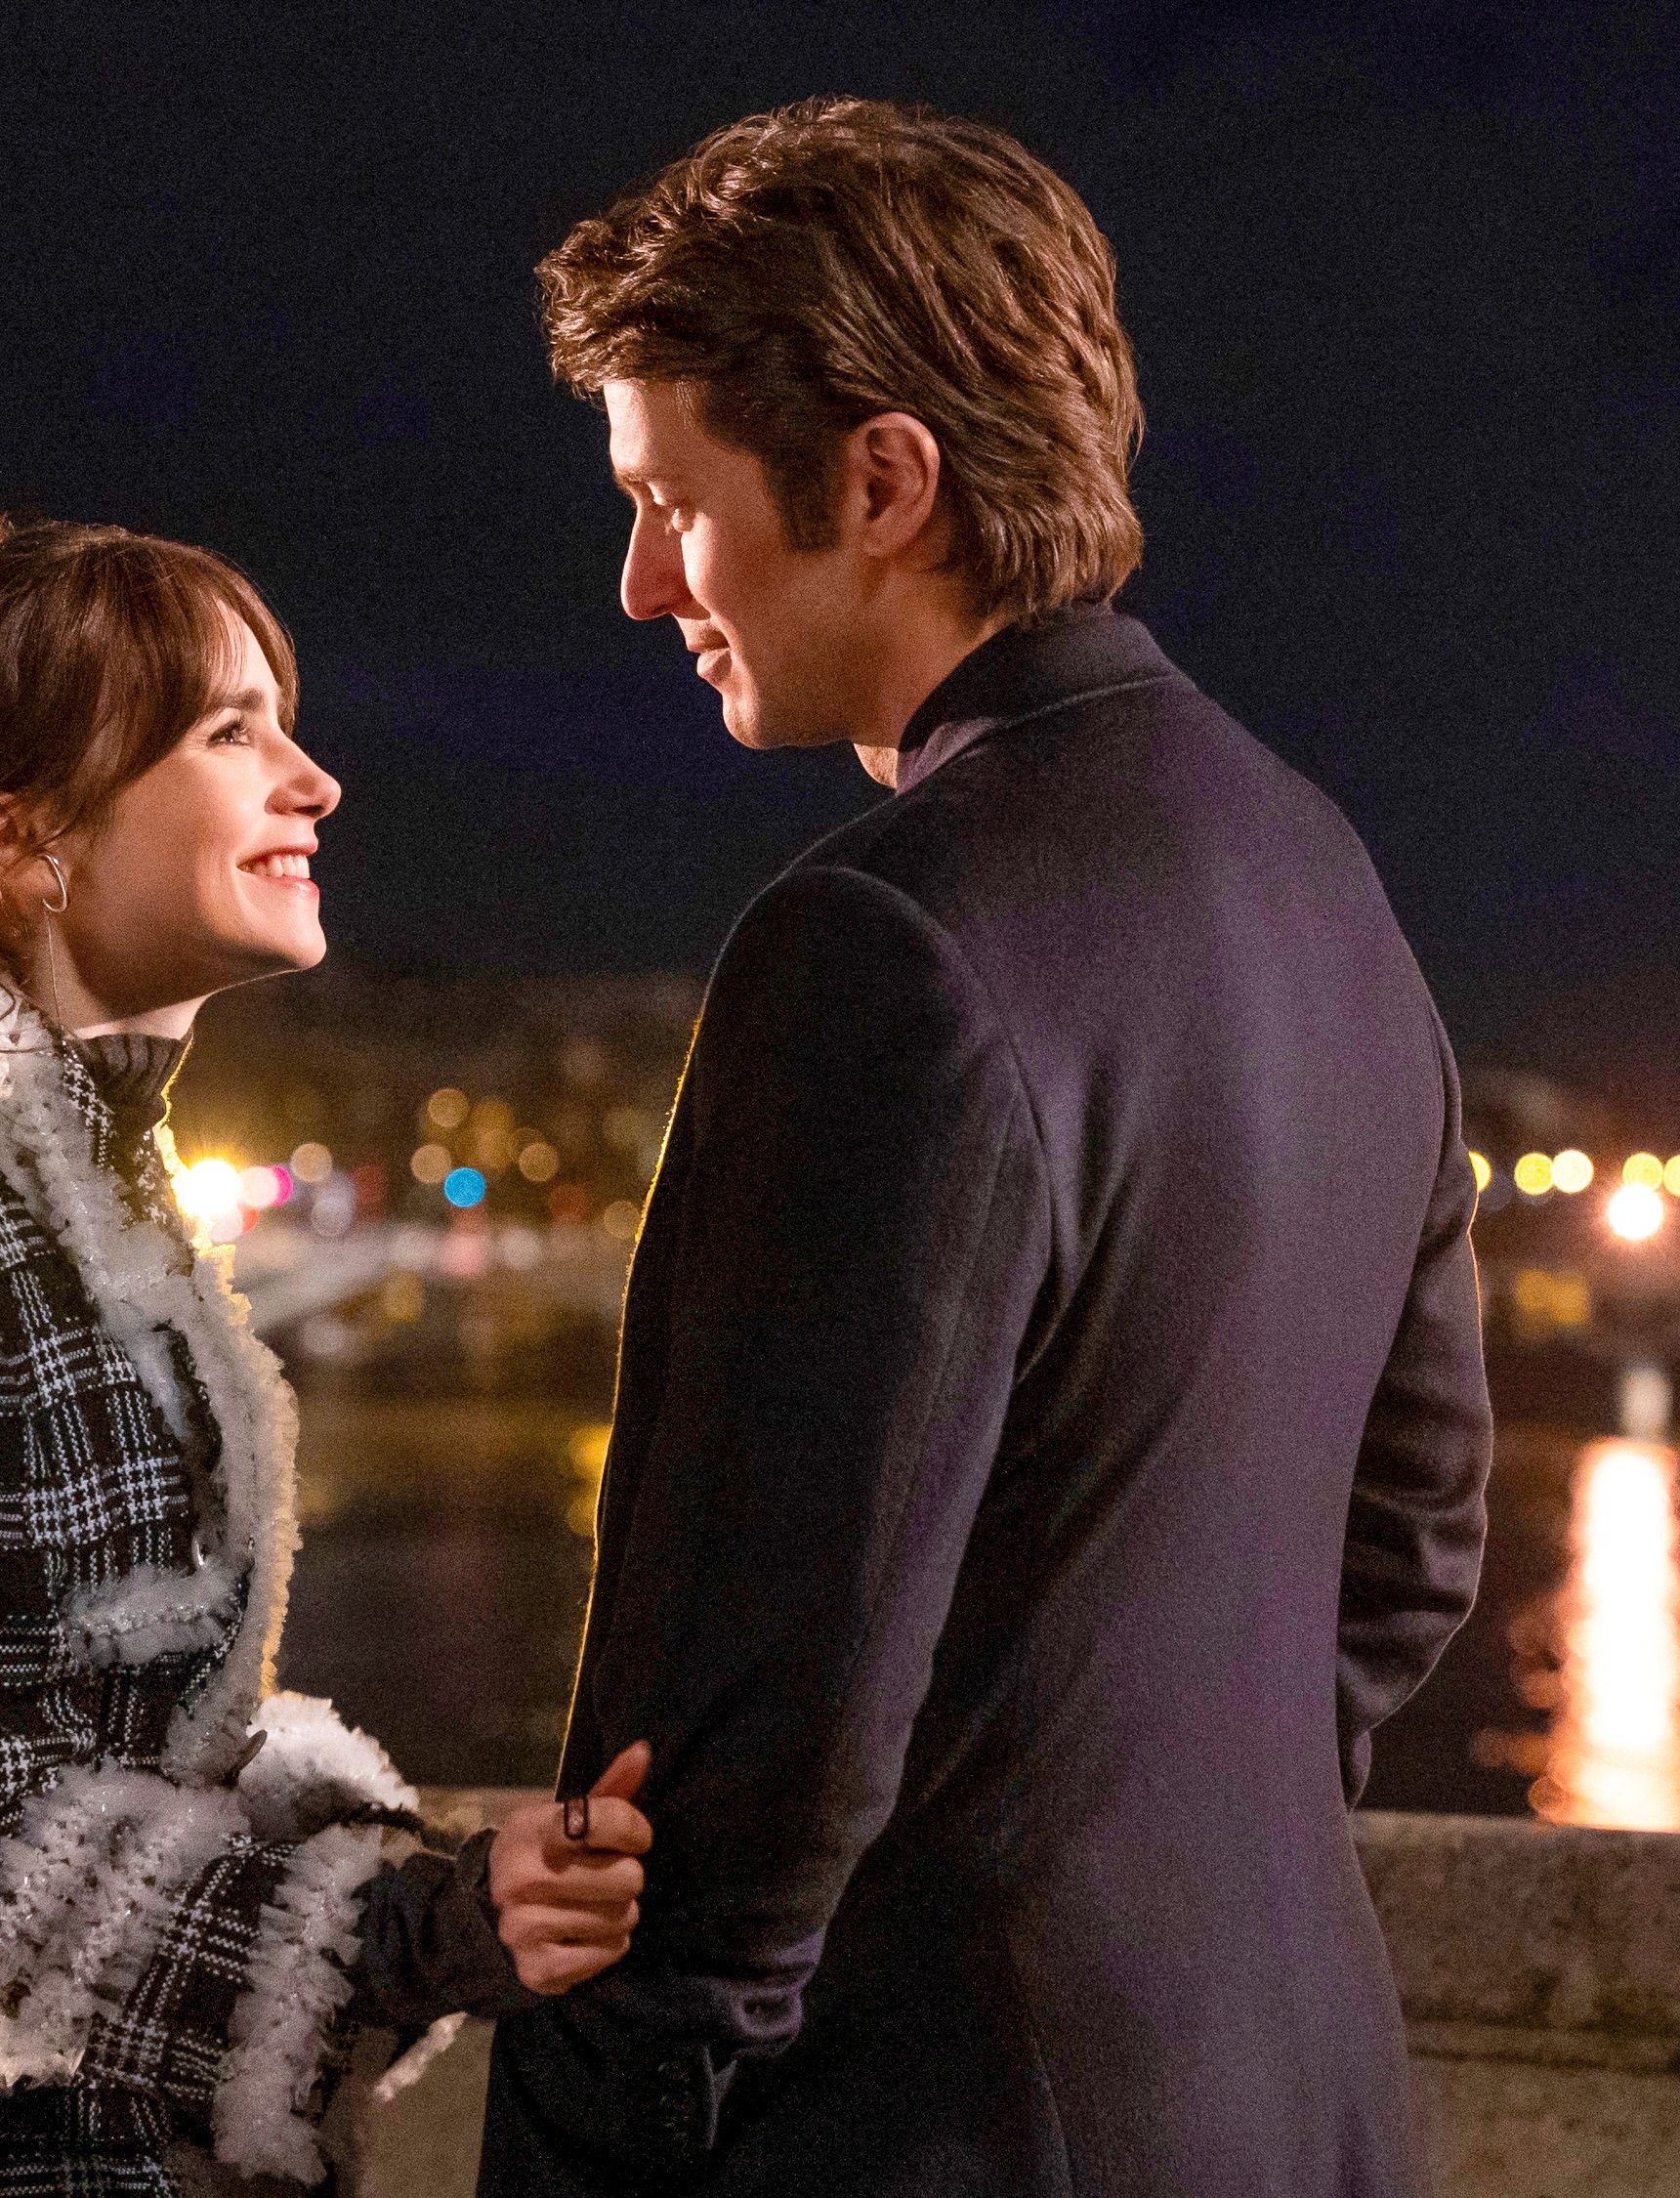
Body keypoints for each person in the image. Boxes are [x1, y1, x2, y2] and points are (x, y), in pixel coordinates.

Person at [483, 100, 1494, 2198]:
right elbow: (1412, 1540)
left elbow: (744, 1733)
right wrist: (1137, 1857)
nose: (639, 578)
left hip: (940, 2128)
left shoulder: (885, 946)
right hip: (1291, 2093)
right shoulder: (1322, 876)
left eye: (672, 499)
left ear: (882, 480)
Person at [0, 485, 653, 2198]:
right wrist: (408, 1933)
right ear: (22, 837)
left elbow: (126, 1755)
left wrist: (439, 1896)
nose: (313, 782)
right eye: (235, 733)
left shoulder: (63, 1184)